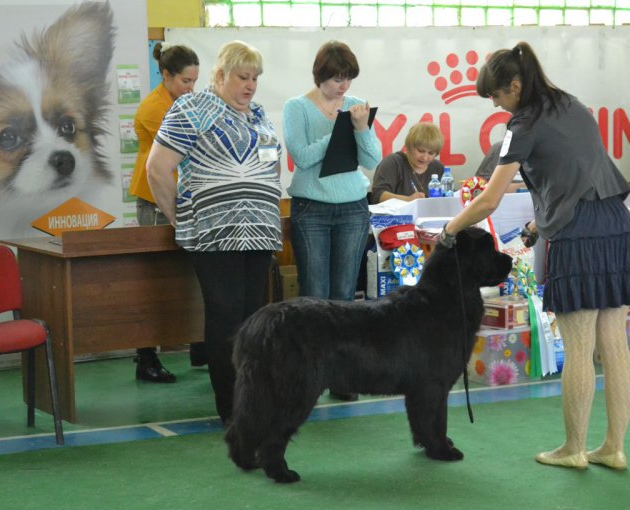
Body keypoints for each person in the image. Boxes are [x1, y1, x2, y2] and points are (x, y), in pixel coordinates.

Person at [439, 42, 630, 470]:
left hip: (579, 237)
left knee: (577, 348)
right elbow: (576, 176)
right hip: (616, 222)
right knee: (613, 344)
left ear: (515, 86)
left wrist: (449, 229)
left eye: (497, 96)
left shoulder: (522, 125)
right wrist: (538, 227)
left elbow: (488, 201)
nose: (497, 106)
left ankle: (573, 449)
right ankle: (613, 447)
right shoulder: (571, 104)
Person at [146, 41, 282, 423]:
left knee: (252, 316)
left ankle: (253, 397)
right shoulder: (192, 109)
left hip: (258, 232)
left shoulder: (258, 115)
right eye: (243, 77)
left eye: (255, 78)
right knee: (225, 315)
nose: (251, 85)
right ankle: (231, 406)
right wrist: (182, 218)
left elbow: (271, 167)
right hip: (214, 234)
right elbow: (157, 169)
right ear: (220, 76)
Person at [282, 41, 381, 402]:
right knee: (314, 297)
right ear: (321, 75)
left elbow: (373, 158)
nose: (343, 86)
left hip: (354, 206)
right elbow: (302, 157)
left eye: (348, 79)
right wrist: (338, 132)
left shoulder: (357, 107)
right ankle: (309, 374)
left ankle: (342, 375)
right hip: (312, 208)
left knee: (343, 297)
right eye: (337, 78)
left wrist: (359, 128)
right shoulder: (297, 107)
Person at [128, 43, 201, 383]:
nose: (191, 88)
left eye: (195, 82)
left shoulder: (180, 102)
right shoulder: (153, 109)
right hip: (156, 199)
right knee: (156, 281)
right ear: (166, 75)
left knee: (186, 279)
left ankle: (201, 344)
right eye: (186, 81)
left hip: (185, 197)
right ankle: (146, 357)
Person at [370, 123, 444, 203]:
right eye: (420, 151)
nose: (425, 157)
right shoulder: (392, 163)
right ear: (409, 146)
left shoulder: (438, 167)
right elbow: (377, 196)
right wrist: (408, 200)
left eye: (431, 153)